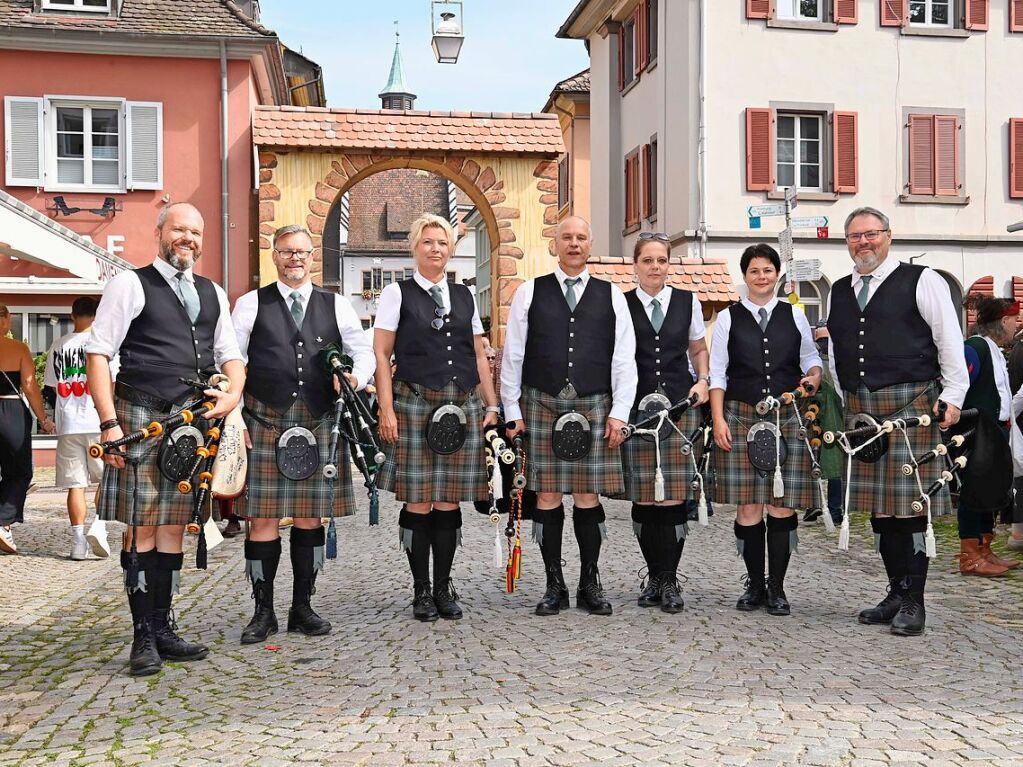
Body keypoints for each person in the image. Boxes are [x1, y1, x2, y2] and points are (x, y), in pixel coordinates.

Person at [86, 202, 245, 676]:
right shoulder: (129, 283)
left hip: (191, 424)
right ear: (160, 232)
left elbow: (230, 354)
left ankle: (163, 627)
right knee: (143, 527)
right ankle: (141, 638)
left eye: (195, 232)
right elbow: (99, 354)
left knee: (174, 527)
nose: (188, 239)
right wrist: (109, 424)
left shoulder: (213, 292)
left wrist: (234, 392)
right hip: (140, 415)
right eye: (179, 229)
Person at [826, 206, 968, 637]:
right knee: (880, 513)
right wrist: (847, 394)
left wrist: (954, 396)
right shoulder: (838, 289)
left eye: (871, 234)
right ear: (847, 242)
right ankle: (894, 591)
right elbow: (836, 351)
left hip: (913, 406)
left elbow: (949, 339)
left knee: (912, 509)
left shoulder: (922, 280)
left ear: (888, 236)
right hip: (862, 410)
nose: (863, 243)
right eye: (854, 236)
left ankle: (914, 601)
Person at [231, 224, 373, 643]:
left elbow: (362, 349)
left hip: (318, 418)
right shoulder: (250, 304)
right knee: (262, 519)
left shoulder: (338, 305)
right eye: (287, 252)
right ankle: (263, 612)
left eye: (302, 252)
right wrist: (235, 419)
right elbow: (233, 360)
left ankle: (302, 607)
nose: (295, 259)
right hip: (263, 419)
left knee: (311, 518)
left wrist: (354, 374)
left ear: (313, 257)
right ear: (274, 256)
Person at [502, 216, 637, 617]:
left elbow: (623, 358)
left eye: (580, 238)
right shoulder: (529, 292)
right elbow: (513, 355)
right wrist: (512, 409)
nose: (573, 244)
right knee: (545, 495)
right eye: (566, 238)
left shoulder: (612, 295)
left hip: (595, 405)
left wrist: (620, 413)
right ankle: (553, 584)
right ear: (554, 244)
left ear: (590, 244)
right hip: (541, 403)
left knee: (587, 495)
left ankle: (589, 582)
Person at [374, 213, 500, 621]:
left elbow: (478, 353)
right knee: (419, 501)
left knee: (448, 501)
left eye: (442, 242)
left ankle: (444, 586)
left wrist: (491, 404)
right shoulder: (397, 293)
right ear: (415, 247)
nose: (435, 249)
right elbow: (381, 353)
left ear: (451, 248)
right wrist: (386, 407)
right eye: (427, 242)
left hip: (461, 406)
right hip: (413, 403)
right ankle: (421, 590)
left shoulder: (464, 295)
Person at [710, 244, 822, 617]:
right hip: (741, 415)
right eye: (755, 270)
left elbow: (809, 357)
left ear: (777, 274)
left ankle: (778, 587)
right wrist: (718, 418)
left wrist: (815, 375)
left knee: (782, 503)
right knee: (748, 505)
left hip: (785, 416)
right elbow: (718, 373)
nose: (762, 276)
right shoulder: (728, 318)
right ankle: (755, 583)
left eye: (768, 270)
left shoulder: (795, 315)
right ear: (745, 276)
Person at [619, 232, 709, 613]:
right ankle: (654, 576)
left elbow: (698, 348)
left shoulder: (688, 302)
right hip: (638, 409)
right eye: (648, 260)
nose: (655, 267)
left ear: (668, 264)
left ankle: (670, 580)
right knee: (643, 495)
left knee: (672, 494)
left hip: (678, 408)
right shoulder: (620, 305)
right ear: (636, 265)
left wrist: (703, 380)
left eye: (661, 260)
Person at [44, 296, 114, 560]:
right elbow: (113, 383)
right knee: (105, 478)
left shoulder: (58, 345)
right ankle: (99, 525)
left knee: (76, 485)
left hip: (68, 423)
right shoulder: (102, 344)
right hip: (99, 421)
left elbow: (51, 385)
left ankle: (77, 542)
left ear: (73, 315)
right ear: (97, 315)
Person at [957, 296, 1020, 575]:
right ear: (1004, 321)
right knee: (973, 491)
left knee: (989, 490)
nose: (1017, 325)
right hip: (976, 431)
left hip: (994, 430)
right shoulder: (975, 347)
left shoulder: (994, 348)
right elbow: (959, 383)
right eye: (1015, 319)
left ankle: (985, 549)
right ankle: (969, 557)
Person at [0, 304, 56, 554]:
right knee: (21, 471)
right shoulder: (18, 348)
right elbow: (30, 386)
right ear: (6, 320)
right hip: (11, 412)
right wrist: (43, 418)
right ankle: (3, 521)